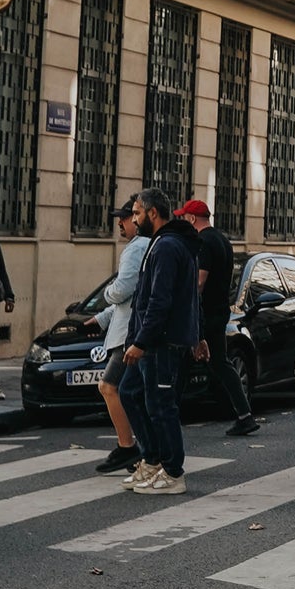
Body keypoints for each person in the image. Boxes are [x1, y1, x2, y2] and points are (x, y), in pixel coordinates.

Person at [118, 188, 203, 493]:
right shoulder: (162, 243)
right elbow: (183, 295)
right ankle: (152, 460)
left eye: (137, 212)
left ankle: (173, 472)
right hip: (150, 338)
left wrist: (141, 341)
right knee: (129, 392)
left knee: (160, 406)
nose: (134, 218)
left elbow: (161, 300)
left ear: (152, 213)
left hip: (160, 342)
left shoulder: (167, 246)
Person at [178, 199, 258, 437]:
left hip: (205, 312)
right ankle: (245, 415)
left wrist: (187, 302)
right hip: (220, 309)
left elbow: (200, 281)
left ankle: (168, 414)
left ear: (192, 218)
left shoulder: (202, 241)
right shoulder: (222, 240)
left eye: (184, 217)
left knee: (183, 359)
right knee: (219, 362)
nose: (183, 221)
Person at [93, 198, 149, 473]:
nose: (120, 223)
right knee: (133, 393)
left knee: (109, 387)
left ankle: (129, 447)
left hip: (128, 333)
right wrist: (102, 318)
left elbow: (124, 289)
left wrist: (105, 294)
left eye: (126, 217)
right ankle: (138, 451)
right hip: (130, 328)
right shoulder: (147, 246)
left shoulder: (135, 248)